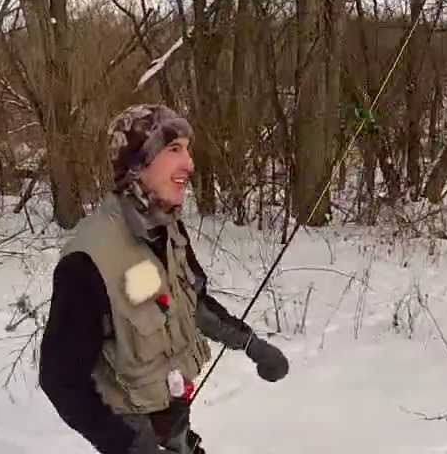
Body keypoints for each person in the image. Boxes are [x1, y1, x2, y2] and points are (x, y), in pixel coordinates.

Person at [39, 104, 290, 454]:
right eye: (174, 149)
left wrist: (251, 344)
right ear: (137, 165)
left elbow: (194, 302)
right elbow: (60, 380)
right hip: (131, 434)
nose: (189, 163)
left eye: (187, 149)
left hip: (174, 423)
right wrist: (126, 445)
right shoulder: (87, 259)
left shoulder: (168, 229)